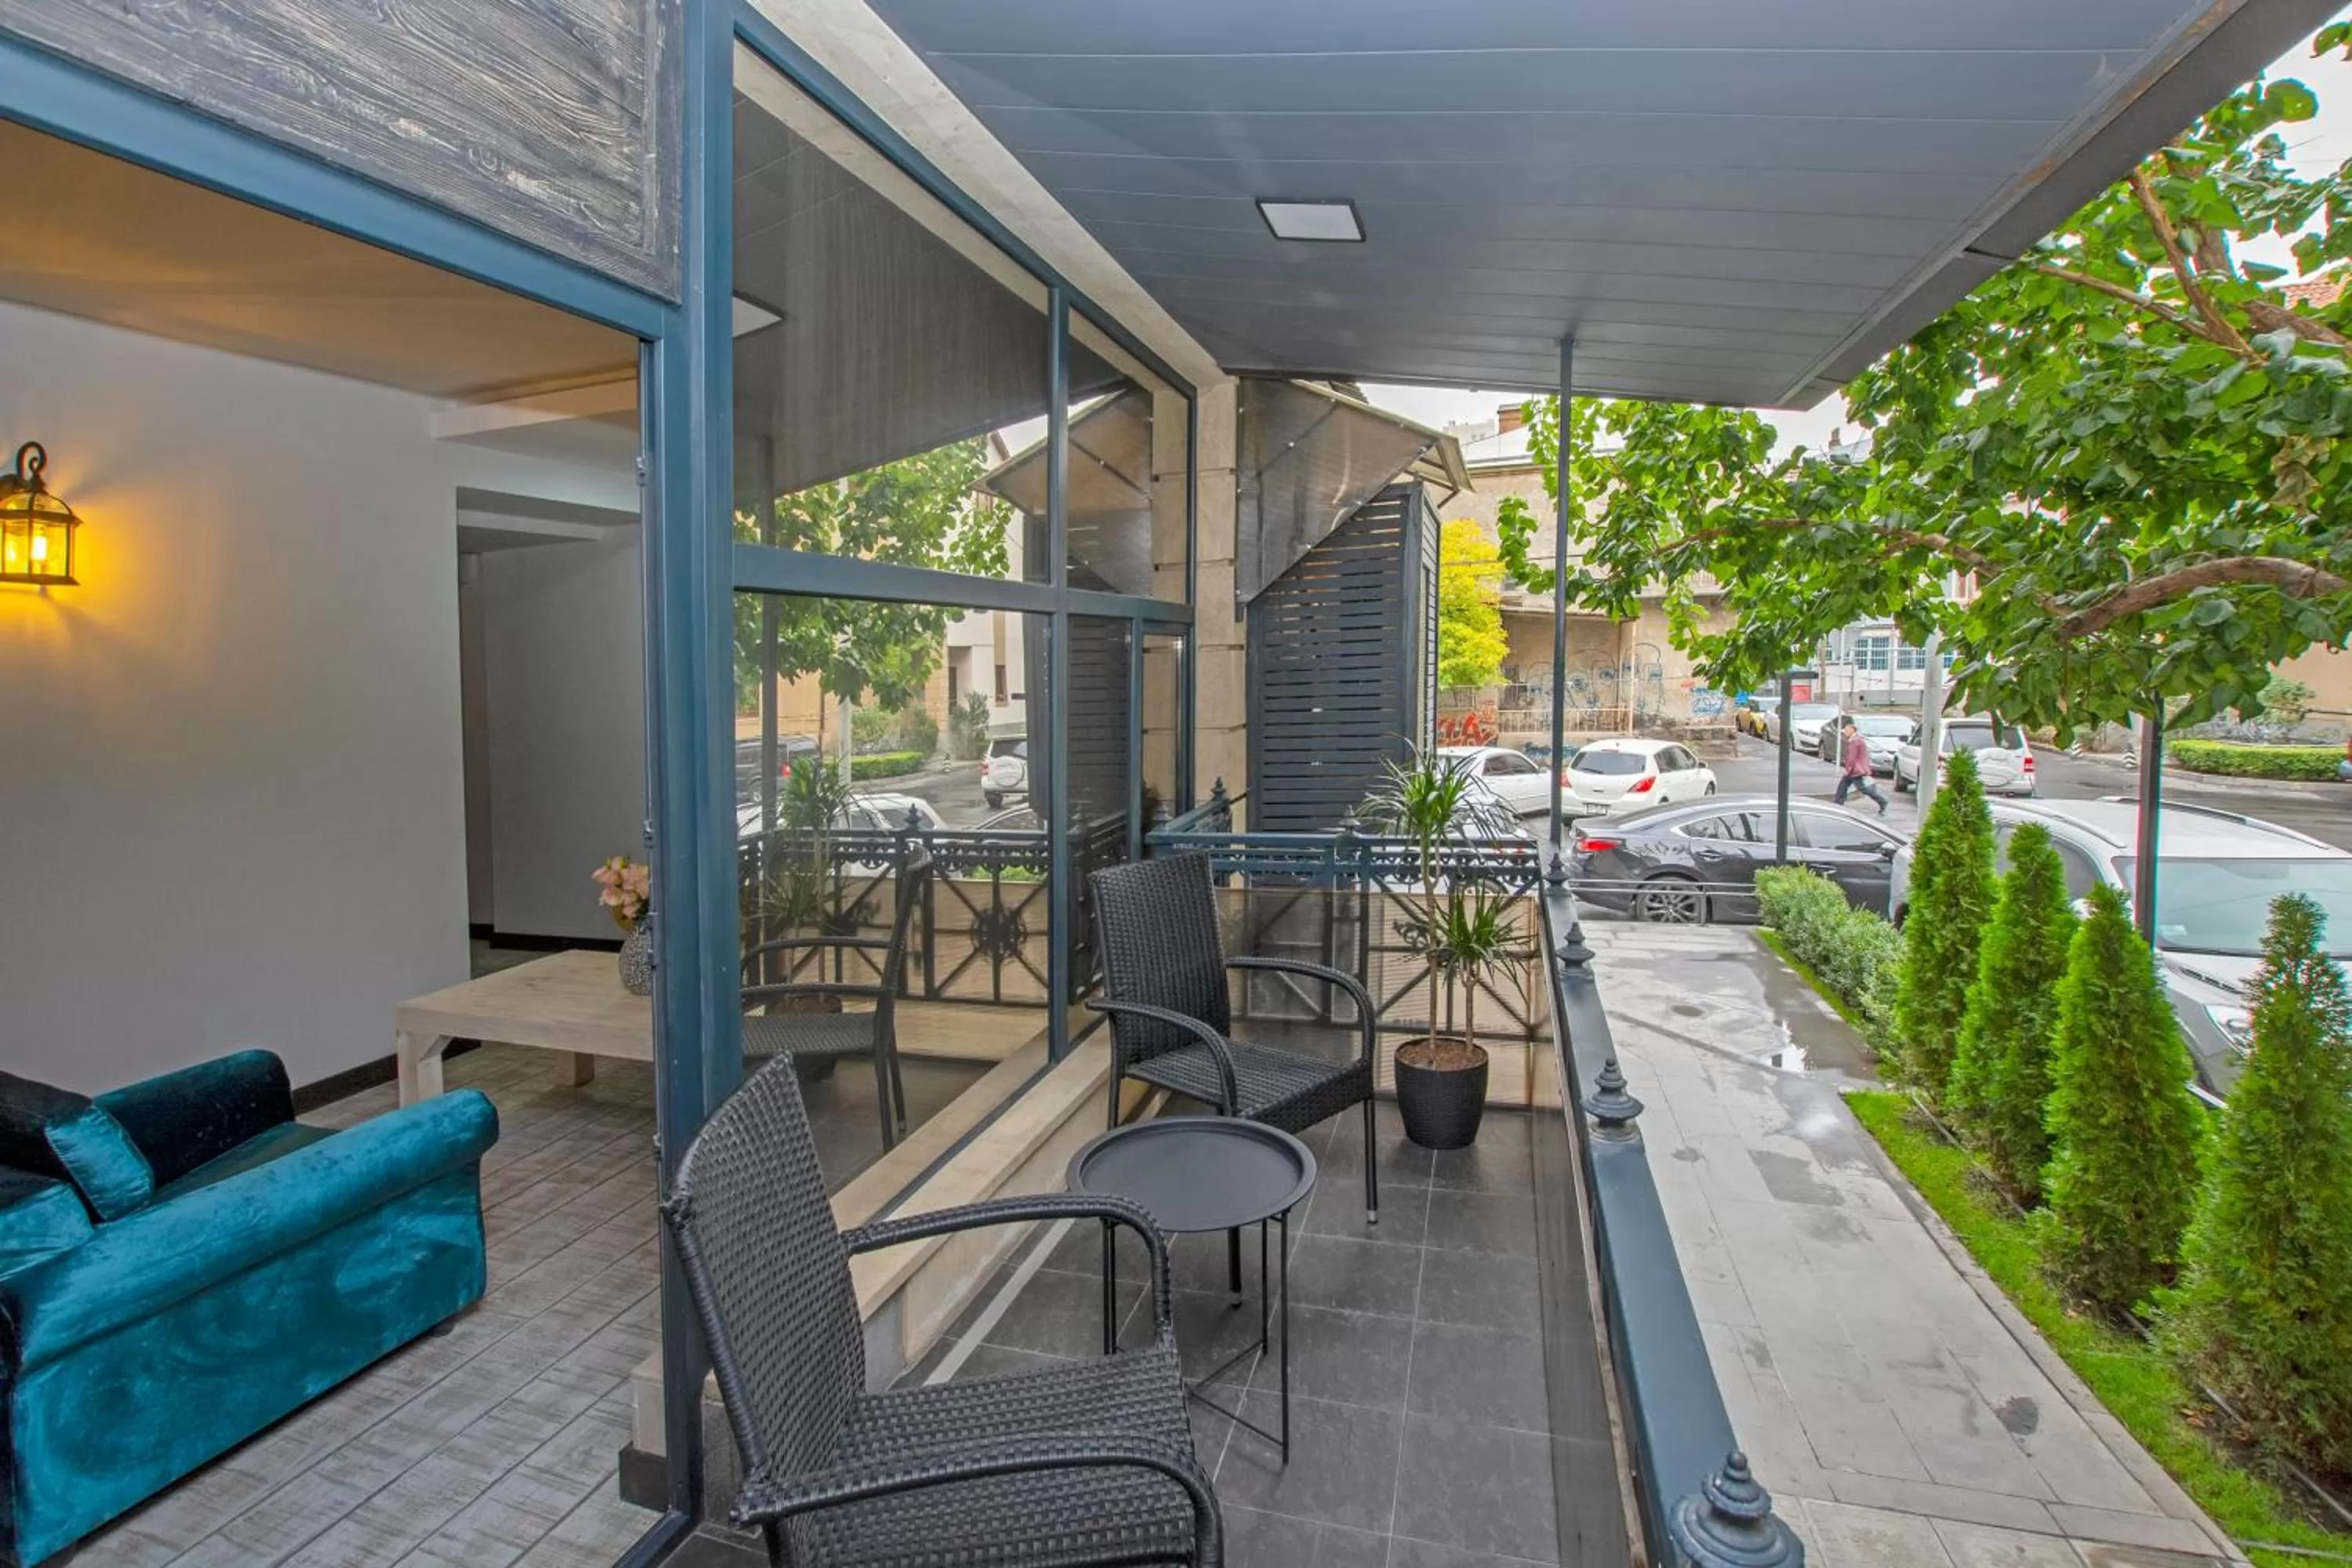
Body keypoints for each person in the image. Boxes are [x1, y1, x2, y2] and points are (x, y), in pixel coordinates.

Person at [1835, 717, 1889, 815]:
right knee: (1843, 786)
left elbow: (1852, 757)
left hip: (1855, 770)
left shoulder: (1854, 741)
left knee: (1863, 789)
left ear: (1852, 729)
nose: (1845, 732)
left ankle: (1882, 801)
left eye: (1847, 730)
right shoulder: (1858, 739)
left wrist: (1848, 770)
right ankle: (1838, 805)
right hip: (1857, 769)